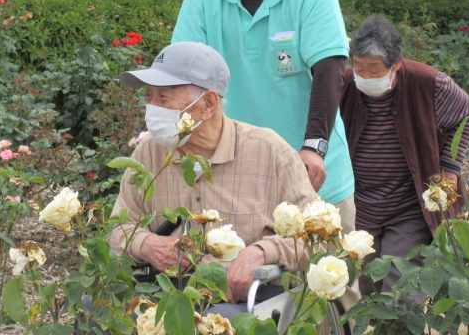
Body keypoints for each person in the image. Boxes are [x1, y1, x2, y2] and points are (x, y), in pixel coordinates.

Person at [171, 0, 355, 235]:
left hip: (312, 172)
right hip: (235, 177)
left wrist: (314, 147)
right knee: (237, 282)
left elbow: (330, 72)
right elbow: (183, 77)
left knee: (328, 281)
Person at [110, 41, 320, 316]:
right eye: (148, 96)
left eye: (163, 98)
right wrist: (146, 244)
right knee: (95, 311)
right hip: (163, 293)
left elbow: (316, 235)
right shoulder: (149, 152)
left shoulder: (269, 151)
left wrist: (261, 251)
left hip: (239, 301)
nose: (151, 108)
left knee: (217, 322)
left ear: (208, 103)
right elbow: (118, 227)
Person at [339, 16, 469, 297]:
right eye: (359, 68)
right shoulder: (343, 84)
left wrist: (450, 168)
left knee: (400, 288)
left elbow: (467, 114)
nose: (364, 76)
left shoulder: (429, 83)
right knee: (361, 284)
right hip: (360, 203)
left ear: (396, 65)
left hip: (409, 206)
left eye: (374, 70)